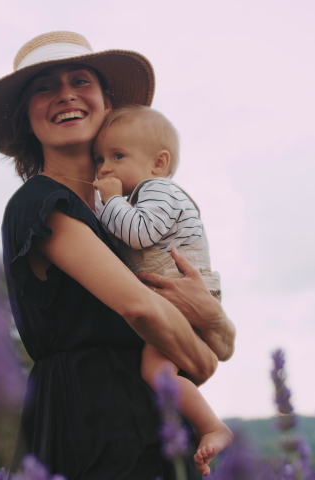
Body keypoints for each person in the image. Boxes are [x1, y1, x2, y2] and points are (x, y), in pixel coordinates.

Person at [0, 31, 236, 479]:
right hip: (91, 423)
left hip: (157, 423)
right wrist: (203, 357)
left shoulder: (125, 216)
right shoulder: (39, 204)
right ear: (26, 118)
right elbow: (142, 307)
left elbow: (220, 337)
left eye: (80, 80)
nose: (65, 95)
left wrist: (215, 323)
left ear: (107, 103)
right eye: (44, 87)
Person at [92, 105, 232, 475]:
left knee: (156, 372)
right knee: (168, 369)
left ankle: (211, 426)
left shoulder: (159, 191)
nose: (104, 168)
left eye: (117, 156)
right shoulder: (145, 193)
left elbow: (138, 232)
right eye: (100, 159)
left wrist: (107, 200)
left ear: (159, 163)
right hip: (173, 294)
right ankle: (192, 437)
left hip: (181, 291)